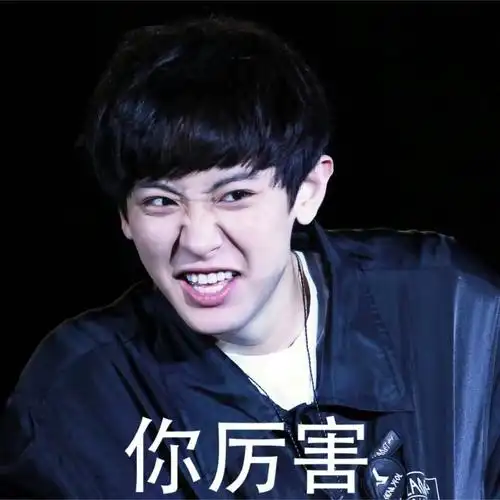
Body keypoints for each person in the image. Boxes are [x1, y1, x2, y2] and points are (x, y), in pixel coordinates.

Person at [0, 16, 499, 500]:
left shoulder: (453, 315)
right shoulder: (79, 400)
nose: (198, 240)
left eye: (234, 196)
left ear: (308, 190)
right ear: (125, 216)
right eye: (161, 201)